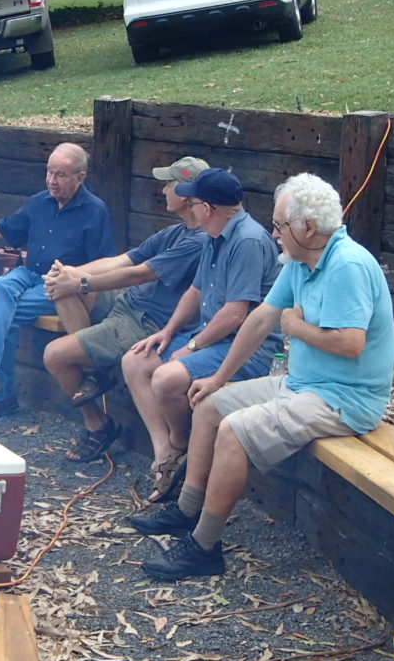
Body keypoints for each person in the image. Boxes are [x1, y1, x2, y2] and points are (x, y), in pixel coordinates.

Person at [130, 174, 394, 581]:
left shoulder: (347, 264)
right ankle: (186, 510)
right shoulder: (302, 261)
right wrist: (218, 378)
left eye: (280, 226)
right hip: (303, 384)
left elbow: (350, 343)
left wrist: (297, 328)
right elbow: (258, 321)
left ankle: (203, 547)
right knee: (208, 404)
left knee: (234, 430)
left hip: (345, 399)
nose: (274, 233)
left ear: (308, 227)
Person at [42, 157, 209, 479]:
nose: (163, 189)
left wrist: (81, 281)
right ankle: (95, 370)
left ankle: (97, 422)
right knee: (60, 289)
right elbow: (122, 260)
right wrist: (67, 273)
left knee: (54, 355)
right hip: (126, 303)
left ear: (187, 194)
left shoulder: (198, 241)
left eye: (169, 184)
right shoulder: (175, 232)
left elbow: (138, 274)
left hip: (144, 320)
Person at [121, 168, 282, 497]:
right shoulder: (213, 234)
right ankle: (164, 455)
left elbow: (236, 314)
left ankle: (180, 444)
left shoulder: (248, 241)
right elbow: (195, 291)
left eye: (192, 202)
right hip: (213, 338)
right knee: (135, 360)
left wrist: (192, 345)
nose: (189, 207)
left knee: (166, 379)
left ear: (206, 208)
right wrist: (167, 331)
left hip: (246, 348)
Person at [0, 143, 116, 421]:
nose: (52, 181)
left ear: (81, 177)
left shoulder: (95, 211)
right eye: (49, 172)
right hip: (29, 273)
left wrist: (74, 282)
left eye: (61, 175)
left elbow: (103, 265)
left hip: (59, 288)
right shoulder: (39, 202)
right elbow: (0, 228)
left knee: (1, 314)